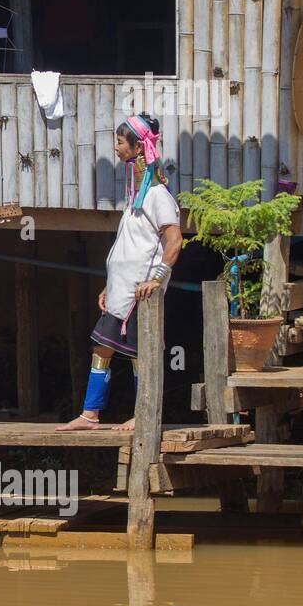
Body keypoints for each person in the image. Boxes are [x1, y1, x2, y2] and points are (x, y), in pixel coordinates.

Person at [58, 113, 182, 432]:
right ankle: (91, 414)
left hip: (141, 294)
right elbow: (129, 247)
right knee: (102, 347)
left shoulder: (158, 197)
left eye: (120, 141)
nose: (115, 147)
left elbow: (174, 241)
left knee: (140, 355)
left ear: (139, 148)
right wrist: (108, 286)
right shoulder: (136, 195)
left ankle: (143, 414)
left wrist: (156, 280)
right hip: (120, 291)